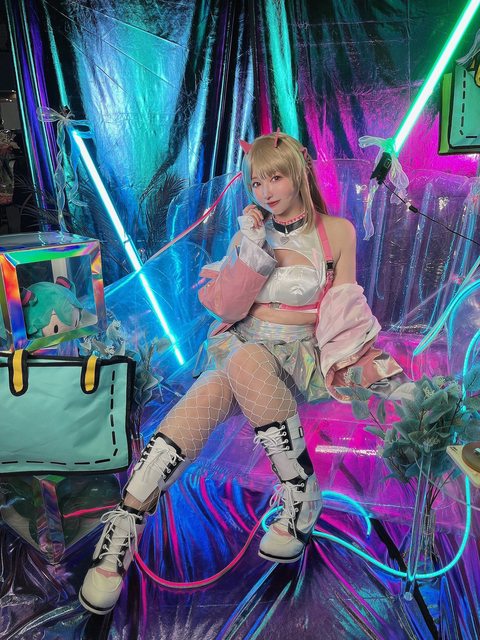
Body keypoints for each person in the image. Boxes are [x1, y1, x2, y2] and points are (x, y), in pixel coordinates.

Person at [79, 131, 404, 615]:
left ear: (298, 173)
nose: (266, 191)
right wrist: (250, 248)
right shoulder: (249, 233)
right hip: (239, 345)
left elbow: (345, 311)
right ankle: (125, 525)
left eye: (275, 178)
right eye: (256, 183)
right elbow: (230, 309)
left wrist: (366, 365)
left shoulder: (337, 233)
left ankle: (299, 493)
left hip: (295, 357)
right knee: (208, 391)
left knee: (244, 360)